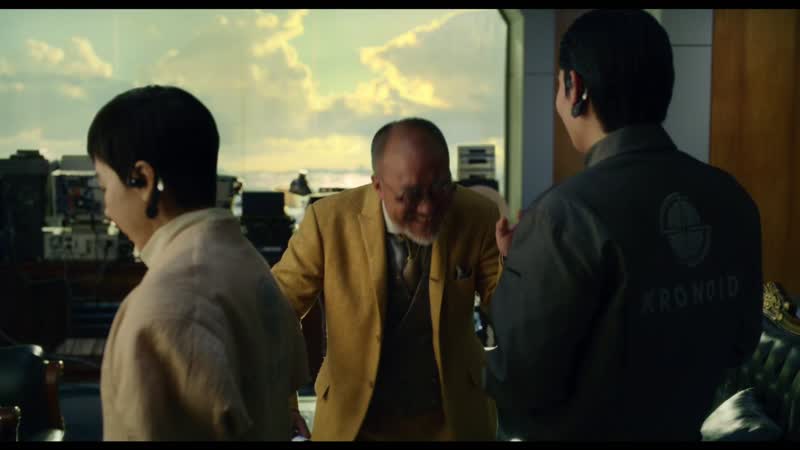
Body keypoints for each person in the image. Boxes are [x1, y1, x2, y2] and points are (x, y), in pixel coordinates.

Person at [483, 9, 763, 441]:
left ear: (575, 88)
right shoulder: (731, 198)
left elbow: (515, 381)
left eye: (558, 85)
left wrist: (514, 278)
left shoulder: (562, 216)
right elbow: (740, 343)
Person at [89, 85, 310, 440]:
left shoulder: (166, 308)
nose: (107, 209)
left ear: (143, 180)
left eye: (104, 188)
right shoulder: (248, 265)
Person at [271, 117, 501, 441]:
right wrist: (283, 403)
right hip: (354, 424)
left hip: (454, 421)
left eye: (441, 188)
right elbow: (273, 313)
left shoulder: (478, 214)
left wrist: (518, 265)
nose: (427, 208)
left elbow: (508, 311)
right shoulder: (328, 222)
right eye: (410, 196)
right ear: (377, 186)